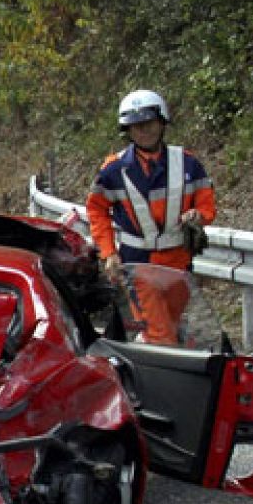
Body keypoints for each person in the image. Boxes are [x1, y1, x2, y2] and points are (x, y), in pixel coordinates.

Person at [85, 89, 216, 345]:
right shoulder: (114, 169)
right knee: (161, 335)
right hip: (138, 263)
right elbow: (96, 209)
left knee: (174, 326)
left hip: (178, 261)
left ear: (162, 122)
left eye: (148, 124)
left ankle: (147, 361)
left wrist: (199, 215)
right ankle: (166, 379)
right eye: (135, 127)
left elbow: (206, 202)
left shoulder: (188, 163)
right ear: (128, 131)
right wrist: (109, 252)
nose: (143, 131)